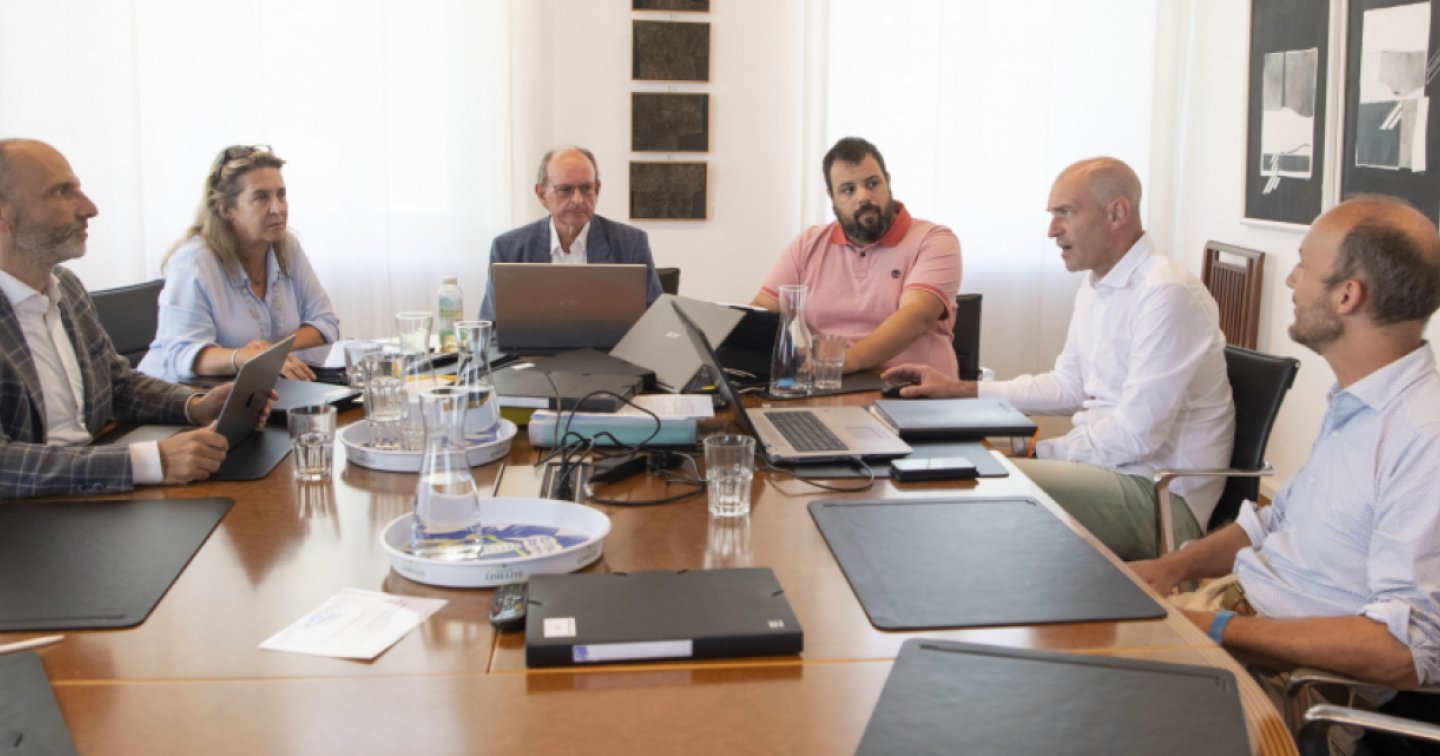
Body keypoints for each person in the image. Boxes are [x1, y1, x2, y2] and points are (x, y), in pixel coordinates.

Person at [1129, 197, 1440, 720]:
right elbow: (1275, 520)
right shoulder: (1359, 401)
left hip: (1297, 681)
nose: (1291, 281)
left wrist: (1218, 629)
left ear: (1347, 295)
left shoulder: (1422, 437)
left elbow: (1404, 650)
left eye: (1303, 266)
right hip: (1239, 617)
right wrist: (1168, 568)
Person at [884, 157, 1233, 560]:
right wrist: (959, 390)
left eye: (1065, 213)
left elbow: (1136, 435)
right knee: (952, 471)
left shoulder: (1166, 293)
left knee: (977, 482)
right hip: (1110, 472)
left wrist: (1039, 453)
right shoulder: (1097, 284)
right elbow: (1068, 386)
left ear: (1117, 213)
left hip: (1161, 498)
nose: (1051, 230)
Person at [0, 138, 266, 499]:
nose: (90, 208)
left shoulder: (65, 287)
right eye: (61, 192)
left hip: (90, 486)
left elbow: (118, 384)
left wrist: (194, 406)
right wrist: (149, 462)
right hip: (28, 514)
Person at [752, 137, 962, 376]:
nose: (863, 196)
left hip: (911, 388)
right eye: (848, 189)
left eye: (872, 183)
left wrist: (843, 361)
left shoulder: (935, 240)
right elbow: (763, 311)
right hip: (829, 385)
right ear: (832, 196)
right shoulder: (807, 245)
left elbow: (918, 315)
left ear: (887, 181)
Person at [138, 145, 340, 383]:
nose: (277, 209)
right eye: (261, 197)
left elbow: (325, 323)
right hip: (179, 397)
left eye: (281, 195)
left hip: (256, 390)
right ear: (226, 209)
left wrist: (270, 354)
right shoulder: (194, 262)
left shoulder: (287, 247)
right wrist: (246, 357)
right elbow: (182, 354)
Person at [479, 146, 663, 322]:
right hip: (532, 346)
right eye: (565, 190)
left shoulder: (630, 244)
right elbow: (492, 329)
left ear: (597, 190)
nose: (577, 200)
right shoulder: (508, 250)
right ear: (542, 194)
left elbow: (655, 322)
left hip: (612, 346)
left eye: (586, 188)